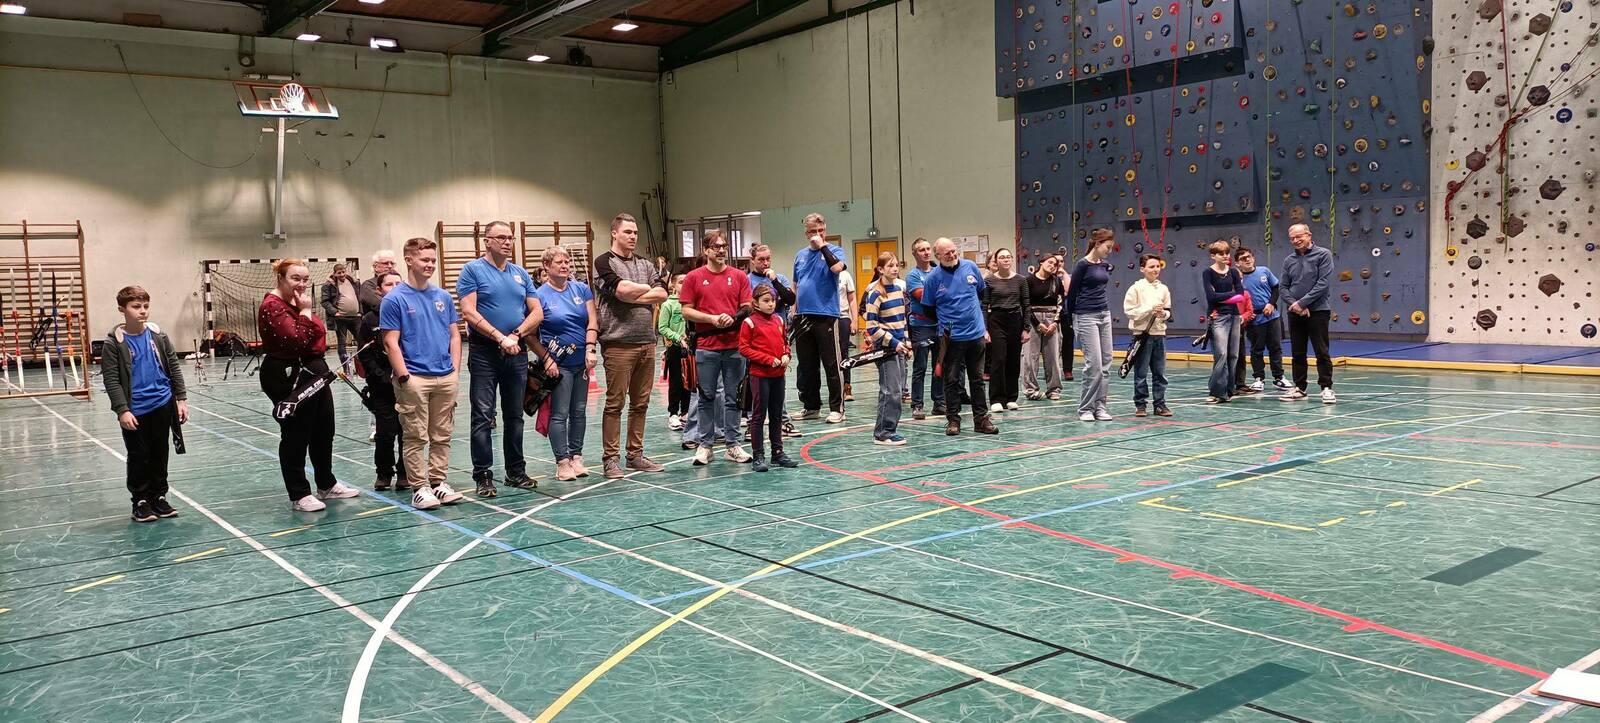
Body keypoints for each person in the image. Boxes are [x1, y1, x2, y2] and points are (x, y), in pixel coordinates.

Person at [259, 259, 360, 511]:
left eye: (305, 279)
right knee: (296, 433)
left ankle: (326, 484)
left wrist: (304, 311)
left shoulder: (297, 302)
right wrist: (305, 312)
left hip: (315, 372)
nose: (302, 284)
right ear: (281, 278)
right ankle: (299, 493)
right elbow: (297, 340)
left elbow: (316, 335)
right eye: (295, 278)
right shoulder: (272, 306)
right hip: (288, 374)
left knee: (324, 429)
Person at [457, 221, 542, 497]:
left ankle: (516, 471)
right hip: (484, 352)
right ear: (487, 241)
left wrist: (515, 335)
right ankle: (483, 475)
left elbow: (537, 312)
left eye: (510, 238)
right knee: (482, 416)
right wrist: (499, 337)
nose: (507, 242)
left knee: (515, 415)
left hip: (516, 351)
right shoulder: (472, 270)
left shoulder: (520, 273)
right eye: (501, 237)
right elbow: (469, 311)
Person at [381, 238, 465, 510]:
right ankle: (419, 487)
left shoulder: (443, 297)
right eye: (424, 259)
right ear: (409, 260)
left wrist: (454, 370)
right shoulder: (394, 299)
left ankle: (438, 481)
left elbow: (454, 335)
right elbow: (390, 342)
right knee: (416, 436)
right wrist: (404, 376)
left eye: (433, 260)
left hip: (445, 376)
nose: (430, 264)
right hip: (415, 378)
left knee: (442, 434)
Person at [102, 285, 189, 522]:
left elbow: (173, 366)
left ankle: (159, 496)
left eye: (146, 306)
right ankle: (140, 501)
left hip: (162, 403)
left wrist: (181, 398)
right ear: (122, 309)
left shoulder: (158, 336)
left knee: (160, 452)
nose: (142, 311)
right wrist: (122, 410)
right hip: (136, 409)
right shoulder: (114, 343)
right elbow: (111, 380)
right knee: (139, 455)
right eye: (136, 306)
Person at [593, 213, 669, 479]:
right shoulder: (603, 262)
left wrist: (632, 294)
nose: (633, 236)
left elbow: (662, 293)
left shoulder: (645, 264)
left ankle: (635, 455)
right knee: (615, 403)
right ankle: (610, 459)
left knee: (641, 403)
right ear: (614, 233)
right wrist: (643, 291)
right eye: (627, 232)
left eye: (635, 232)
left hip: (647, 343)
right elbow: (620, 290)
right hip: (618, 345)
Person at [681, 230, 753, 465]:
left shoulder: (739, 276)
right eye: (716, 247)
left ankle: (733, 445)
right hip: (706, 347)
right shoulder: (693, 277)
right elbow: (686, 310)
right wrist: (711, 319)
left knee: (733, 398)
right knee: (706, 397)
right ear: (706, 250)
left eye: (724, 247)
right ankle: (705, 446)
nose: (721, 251)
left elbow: (747, 306)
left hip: (735, 347)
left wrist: (733, 317)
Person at [531, 245, 599, 481]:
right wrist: (547, 359)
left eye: (567, 262)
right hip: (558, 364)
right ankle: (562, 461)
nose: (565, 266)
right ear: (546, 266)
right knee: (559, 413)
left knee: (579, 411)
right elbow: (530, 335)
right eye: (559, 262)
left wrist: (590, 348)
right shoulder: (538, 296)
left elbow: (592, 321)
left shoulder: (581, 289)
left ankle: (576, 457)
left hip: (582, 361)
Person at [925, 238, 998, 436]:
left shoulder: (971, 267)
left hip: (975, 334)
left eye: (953, 250)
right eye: (947, 253)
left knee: (977, 380)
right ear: (938, 256)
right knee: (951, 380)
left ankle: (981, 420)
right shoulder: (933, 278)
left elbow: (981, 293)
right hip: (950, 338)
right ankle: (953, 420)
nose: (952, 254)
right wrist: (948, 322)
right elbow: (928, 309)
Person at [791, 213, 848, 423]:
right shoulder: (800, 255)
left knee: (832, 364)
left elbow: (837, 268)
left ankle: (837, 408)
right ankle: (811, 406)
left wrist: (822, 246)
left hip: (826, 315)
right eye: (813, 231)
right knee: (807, 365)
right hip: (803, 316)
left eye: (821, 230)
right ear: (806, 233)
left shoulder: (835, 251)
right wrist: (794, 310)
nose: (817, 234)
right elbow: (795, 284)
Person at [737, 284, 799, 472]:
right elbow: (744, 348)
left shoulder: (779, 320)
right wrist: (767, 359)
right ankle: (758, 455)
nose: (771, 304)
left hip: (778, 375)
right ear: (755, 303)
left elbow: (785, 342)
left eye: (772, 300)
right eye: (766, 301)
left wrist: (786, 354)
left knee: (777, 414)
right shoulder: (749, 323)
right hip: (760, 376)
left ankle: (777, 453)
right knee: (758, 415)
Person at [357, 271, 406, 490]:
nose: (394, 287)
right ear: (379, 290)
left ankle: (405, 472)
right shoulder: (369, 319)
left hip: (407, 381)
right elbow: (365, 354)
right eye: (389, 284)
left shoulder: (410, 313)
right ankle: (384, 473)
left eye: (398, 283)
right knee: (385, 432)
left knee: (408, 432)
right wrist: (382, 377)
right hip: (382, 384)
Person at [747, 243, 800, 438]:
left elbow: (790, 299)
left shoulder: (780, 279)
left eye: (768, 258)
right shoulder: (747, 280)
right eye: (761, 259)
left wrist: (775, 281)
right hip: (757, 339)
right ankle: (752, 423)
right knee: (755, 384)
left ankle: (783, 420)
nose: (765, 263)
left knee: (779, 381)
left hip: (777, 337)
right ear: (753, 260)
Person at [1279, 223, 1336, 404]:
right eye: (1292, 238)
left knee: (1321, 351)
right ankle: (1300, 388)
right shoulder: (1289, 260)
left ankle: (1326, 388)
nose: (1296, 241)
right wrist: (1294, 304)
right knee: (1297, 352)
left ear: (1309, 235)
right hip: (1295, 312)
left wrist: (1302, 303)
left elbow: (1323, 283)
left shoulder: (1323, 254)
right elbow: (1283, 287)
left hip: (1318, 310)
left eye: (1299, 236)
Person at [863, 252, 912, 445]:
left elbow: (903, 320)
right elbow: (872, 327)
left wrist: (906, 342)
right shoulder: (875, 293)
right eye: (890, 266)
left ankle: (890, 429)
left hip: (900, 346)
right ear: (880, 269)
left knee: (898, 390)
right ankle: (882, 433)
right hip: (886, 348)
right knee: (889, 390)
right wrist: (894, 342)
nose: (895, 269)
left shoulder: (899, 289)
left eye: (896, 265)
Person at [1068, 229, 1116, 422]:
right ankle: (1085, 408)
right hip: (1085, 315)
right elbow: (1072, 293)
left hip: (1104, 314)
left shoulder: (1104, 265)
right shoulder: (1082, 265)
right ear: (1097, 244)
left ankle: (1100, 407)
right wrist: (1071, 319)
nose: (1109, 251)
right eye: (1107, 247)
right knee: (1094, 365)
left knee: (1106, 363)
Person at [1123, 255, 1173, 417]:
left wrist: (1162, 314)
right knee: (1141, 372)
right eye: (1151, 267)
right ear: (1142, 269)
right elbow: (1129, 312)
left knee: (1160, 372)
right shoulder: (1135, 289)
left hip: (1159, 334)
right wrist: (1149, 309)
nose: (1155, 269)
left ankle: (1160, 404)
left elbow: (1168, 312)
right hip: (1141, 335)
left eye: (1158, 266)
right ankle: (1140, 404)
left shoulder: (1163, 289)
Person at [1234, 247, 1289, 393]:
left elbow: (1276, 288)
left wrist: (1271, 303)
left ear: (1253, 258)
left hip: (1271, 316)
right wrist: (1246, 314)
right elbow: (1237, 299)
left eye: (1249, 256)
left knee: (1275, 347)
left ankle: (1279, 377)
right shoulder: (1238, 280)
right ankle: (1259, 378)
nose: (1247, 259)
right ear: (1237, 263)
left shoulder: (1264, 271)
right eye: (1243, 258)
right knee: (1256, 349)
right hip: (1253, 319)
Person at [982, 247, 1030, 412]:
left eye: (1008, 257)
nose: (1006, 259)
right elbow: (984, 306)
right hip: (996, 320)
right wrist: (985, 329)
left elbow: (1026, 305)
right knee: (999, 359)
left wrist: (1026, 328)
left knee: (1013, 360)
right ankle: (996, 398)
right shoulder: (989, 280)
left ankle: (1011, 397)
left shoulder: (1021, 280)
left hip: (1015, 320)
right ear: (996, 261)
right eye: (1002, 257)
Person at [903, 238, 944, 419]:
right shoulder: (913, 276)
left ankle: (939, 402)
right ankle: (917, 404)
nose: (926, 252)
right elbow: (923, 296)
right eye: (922, 250)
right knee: (920, 367)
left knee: (939, 366)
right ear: (915, 253)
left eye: (928, 249)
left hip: (940, 326)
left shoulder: (938, 271)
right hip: (921, 326)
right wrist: (942, 292)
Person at [1202, 239, 1246, 404]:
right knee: (1221, 354)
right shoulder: (1208, 273)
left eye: (1227, 253)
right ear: (1213, 256)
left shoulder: (1233, 272)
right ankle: (1216, 391)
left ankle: (1228, 390)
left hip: (1234, 316)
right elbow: (1211, 297)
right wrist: (1231, 295)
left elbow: (1241, 295)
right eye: (1221, 254)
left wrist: (1222, 297)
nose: (1226, 256)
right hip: (1218, 316)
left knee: (1233, 355)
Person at [1022, 254, 1064, 401]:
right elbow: (1025, 304)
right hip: (1033, 320)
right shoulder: (1028, 281)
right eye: (1050, 262)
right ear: (1041, 262)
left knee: (1053, 357)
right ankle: (1031, 389)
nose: (1052, 266)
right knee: (1030, 357)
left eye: (1055, 264)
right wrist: (1036, 323)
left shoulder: (1057, 281)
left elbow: (1061, 303)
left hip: (1052, 319)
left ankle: (1054, 389)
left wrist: (1055, 323)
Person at [658, 273, 690, 430]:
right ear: (673, 285)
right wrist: (678, 337)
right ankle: (673, 414)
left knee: (689, 381)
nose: (685, 285)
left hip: (690, 349)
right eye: (681, 282)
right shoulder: (668, 305)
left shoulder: (691, 303)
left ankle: (686, 412)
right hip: (675, 348)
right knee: (676, 381)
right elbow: (662, 327)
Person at [320, 263, 362, 365]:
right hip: (341, 319)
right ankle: (345, 367)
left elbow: (360, 297)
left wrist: (360, 312)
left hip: (356, 318)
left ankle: (361, 365)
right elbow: (325, 302)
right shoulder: (328, 285)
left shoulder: (354, 282)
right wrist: (335, 312)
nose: (342, 274)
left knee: (362, 341)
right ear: (334, 274)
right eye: (339, 273)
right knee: (342, 343)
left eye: (343, 272)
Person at [1054, 253, 1076, 384]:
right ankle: (1052, 370)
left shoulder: (1069, 276)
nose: (1059, 264)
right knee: (1052, 344)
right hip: (1052, 314)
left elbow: (1069, 290)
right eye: (1056, 261)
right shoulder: (1048, 278)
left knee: (1068, 342)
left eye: (1061, 261)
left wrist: (1064, 273)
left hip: (1066, 313)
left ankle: (1068, 370)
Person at [837, 268, 858, 403]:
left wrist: (854, 321)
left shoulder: (845, 275)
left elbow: (852, 299)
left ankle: (847, 386)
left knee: (844, 352)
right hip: (827, 318)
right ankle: (835, 388)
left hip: (843, 317)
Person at [358, 250, 397, 315]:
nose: (390, 266)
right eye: (385, 263)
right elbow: (382, 305)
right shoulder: (368, 285)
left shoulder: (398, 283)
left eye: (392, 263)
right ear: (375, 267)